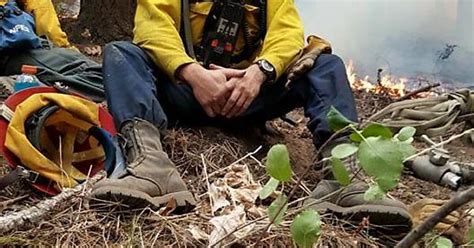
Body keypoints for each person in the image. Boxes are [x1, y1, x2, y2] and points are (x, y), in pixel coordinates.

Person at [93, 0, 412, 234]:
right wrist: (191, 73)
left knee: (327, 66)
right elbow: (152, 27)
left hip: (250, 93)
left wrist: (260, 72)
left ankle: (346, 180)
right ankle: (151, 167)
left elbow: (288, 33)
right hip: (187, 92)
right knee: (121, 53)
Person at [0, 0, 104, 102]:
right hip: (14, 53)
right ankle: (22, 87)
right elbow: (48, 29)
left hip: (9, 52)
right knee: (99, 74)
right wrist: (68, 49)